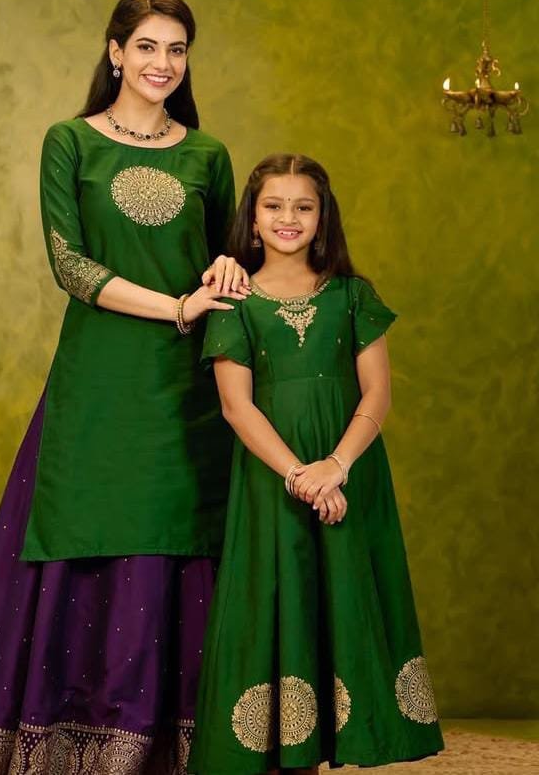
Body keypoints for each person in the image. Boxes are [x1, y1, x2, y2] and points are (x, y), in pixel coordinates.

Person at [0, 0, 250, 775]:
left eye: (177, 49)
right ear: (115, 52)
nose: (162, 63)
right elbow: (70, 265)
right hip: (99, 374)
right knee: (82, 527)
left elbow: (229, 256)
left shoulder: (207, 155)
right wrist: (176, 306)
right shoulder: (69, 141)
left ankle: (177, 748)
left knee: (179, 536)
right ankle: (74, 743)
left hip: (185, 386)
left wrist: (226, 270)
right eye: (147, 47)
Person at [188, 154, 444, 774]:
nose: (289, 218)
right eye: (274, 206)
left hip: (350, 476)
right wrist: (300, 475)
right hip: (271, 480)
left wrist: (336, 465)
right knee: (282, 600)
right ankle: (285, 752)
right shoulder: (232, 304)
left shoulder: (354, 296)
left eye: (304, 206)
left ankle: (340, 742)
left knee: (342, 596)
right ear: (252, 220)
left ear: (323, 217)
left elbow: (377, 395)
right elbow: (236, 407)